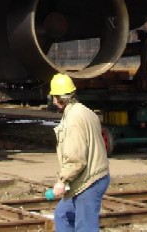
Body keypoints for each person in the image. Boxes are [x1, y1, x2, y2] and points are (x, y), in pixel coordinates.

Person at [49, 73, 110, 231]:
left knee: (85, 226)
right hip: (91, 177)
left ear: (60, 98)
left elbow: (76, 159)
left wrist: (62, 181)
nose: (53, 101)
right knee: (63, 214)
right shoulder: (85, 111)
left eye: (54, 97)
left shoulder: (73, 120)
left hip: (89, 181)